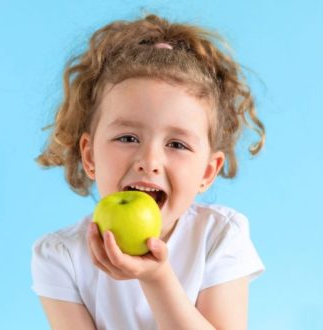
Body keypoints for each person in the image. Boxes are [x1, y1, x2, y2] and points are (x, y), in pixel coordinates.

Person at [31, 14, 266, 330]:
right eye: (128, 138)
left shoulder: (220, 236)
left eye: (177, 144)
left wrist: (156, 278)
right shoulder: (60, 256)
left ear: (207, 173)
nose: (149, 160)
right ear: (89, 156)